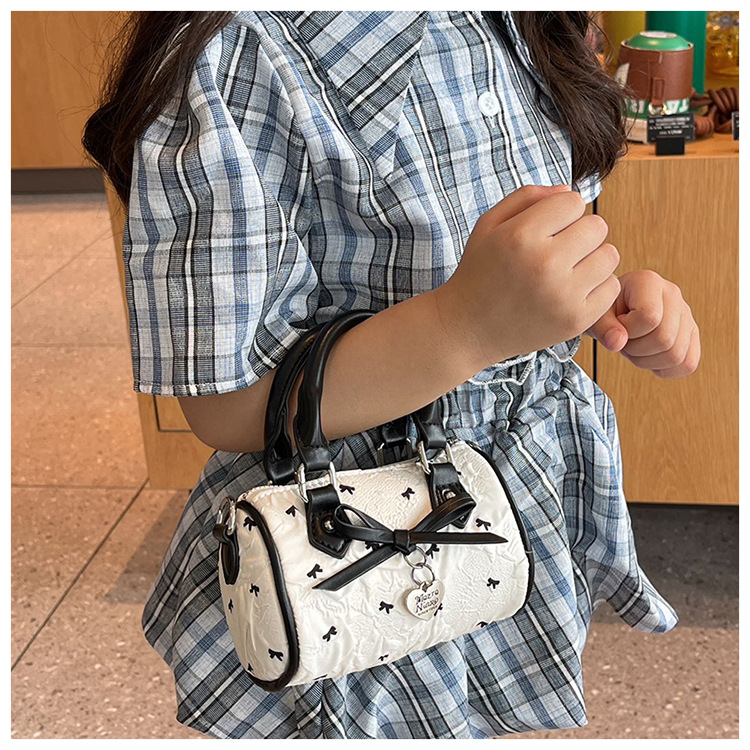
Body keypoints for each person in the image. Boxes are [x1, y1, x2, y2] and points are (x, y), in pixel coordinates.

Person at [82, 10, 699, 740]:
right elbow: (226, 405)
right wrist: (465, 326)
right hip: (357, 544)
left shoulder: (517, 24)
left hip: (515, 500)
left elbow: (530, 245)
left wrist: (596, 295)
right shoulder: (239, 53)